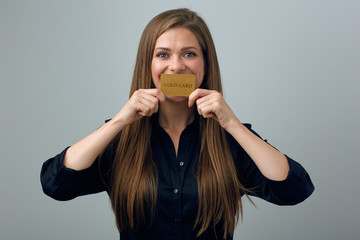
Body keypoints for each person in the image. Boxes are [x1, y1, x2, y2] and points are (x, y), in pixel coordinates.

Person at [40, 8, 314, 240]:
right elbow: (56, 185)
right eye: (162, 55)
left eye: (189, 54)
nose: (176, 66)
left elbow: (294, 190)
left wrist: (234, 125)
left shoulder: (230, 139)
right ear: (147, 65)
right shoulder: (122, 139)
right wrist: (120, 121)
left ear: (205, 65)